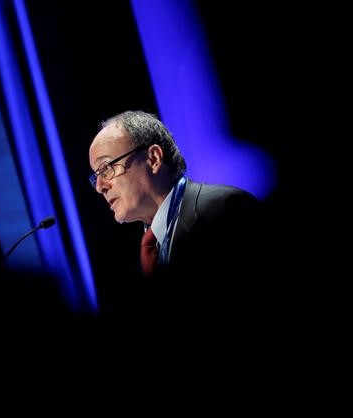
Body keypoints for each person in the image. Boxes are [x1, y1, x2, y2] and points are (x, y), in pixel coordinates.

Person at [88, 110, 268, 307]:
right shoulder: (133, 256)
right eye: (96, 175)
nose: (100, 186)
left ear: (154, 159)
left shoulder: (225, 210)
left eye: (106, 168)